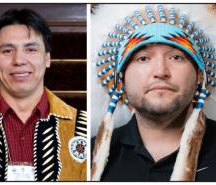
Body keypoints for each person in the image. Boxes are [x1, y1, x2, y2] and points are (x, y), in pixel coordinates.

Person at [91, 4, 216, 181]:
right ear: (121, 79)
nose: (160, 71)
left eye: (176, 57)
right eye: (143, 58)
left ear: (199, 76)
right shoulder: (85, 157)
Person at [0, 8, 86, 181]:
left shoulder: (82, 129)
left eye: (31, 50)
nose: (19, 60)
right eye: (7, 51)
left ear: (47, 59)